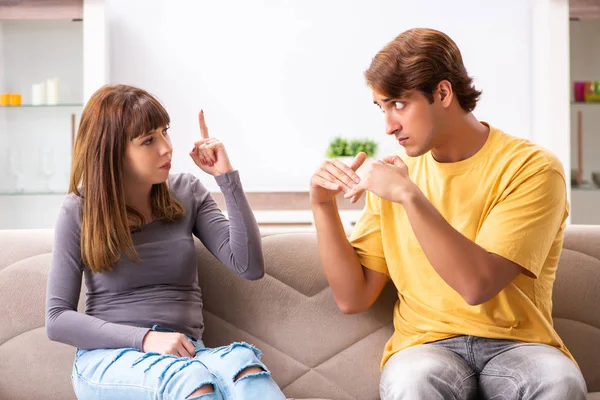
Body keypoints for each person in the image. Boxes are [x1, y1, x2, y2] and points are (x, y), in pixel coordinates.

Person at [309, 28, 587, 399]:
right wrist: (322, 205)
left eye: (399, 104)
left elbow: (477, 286)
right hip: (425, 347)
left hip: (518, 344)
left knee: (559, 381)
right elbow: (353, 298)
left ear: (442, 93)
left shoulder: (531, 168)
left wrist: (410, 195)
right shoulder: (394, 179)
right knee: (413, 382)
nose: (389, 126)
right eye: (382, 108)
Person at [46, 84, 286, 400]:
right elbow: (56, 319)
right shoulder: (79, 210)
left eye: (164, 132)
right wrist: (145, 339)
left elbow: (249, 266)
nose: (166, 147)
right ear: (112, 151)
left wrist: (226, 178)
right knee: (192, 383)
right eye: (148, 140)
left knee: (244, 366)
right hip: (110, 358)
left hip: (188, 356)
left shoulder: (187, 192)